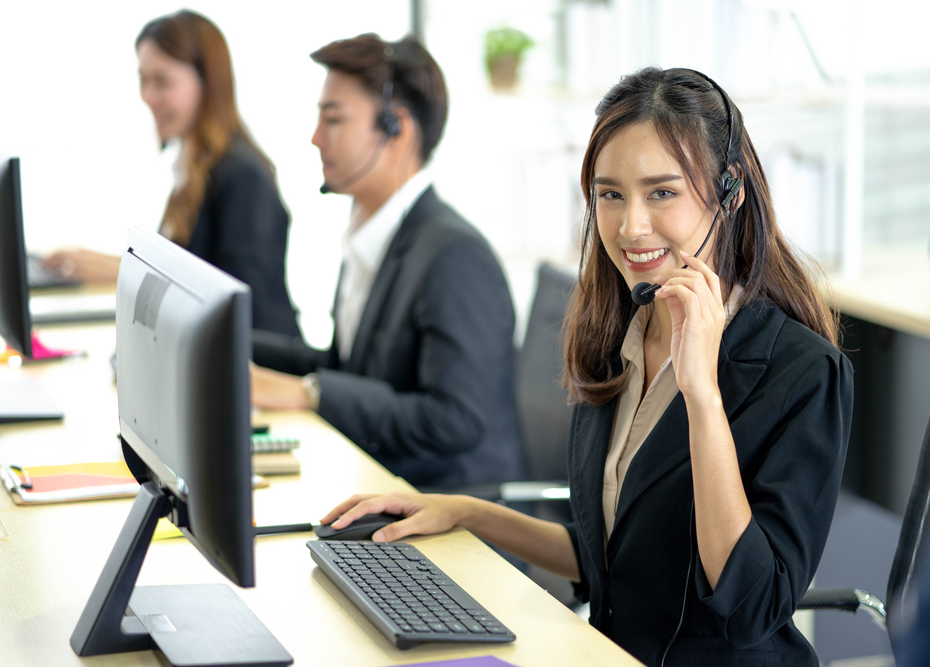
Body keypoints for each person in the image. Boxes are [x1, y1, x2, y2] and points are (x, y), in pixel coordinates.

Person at [321, 67, 853, 666]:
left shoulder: (802, 373)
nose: (631, 227)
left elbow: (750, 601)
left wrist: (701, 392)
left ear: (729, 193)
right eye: (610, 194)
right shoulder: (616, 336)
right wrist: (462, 511)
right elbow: (609, 558)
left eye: (662, 192)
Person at [249, 34, 525, 490]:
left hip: (456, 518)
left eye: (333, 119)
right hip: (380, 487)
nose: (315, 138)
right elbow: (352, 366)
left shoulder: (454, 256)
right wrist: (230, 341)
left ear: (396, 128)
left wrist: (308, 393)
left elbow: (453, 419)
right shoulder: (371, 232)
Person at [44, 10, 299, 338]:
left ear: (207, 82)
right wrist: (107, 266)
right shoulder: (194, 165)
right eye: (143, 80)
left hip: (258, 373)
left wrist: (122, 271)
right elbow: (188, 278)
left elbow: (237, 309)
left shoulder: (242, 178)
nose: (148, 96)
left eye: (162, 81)